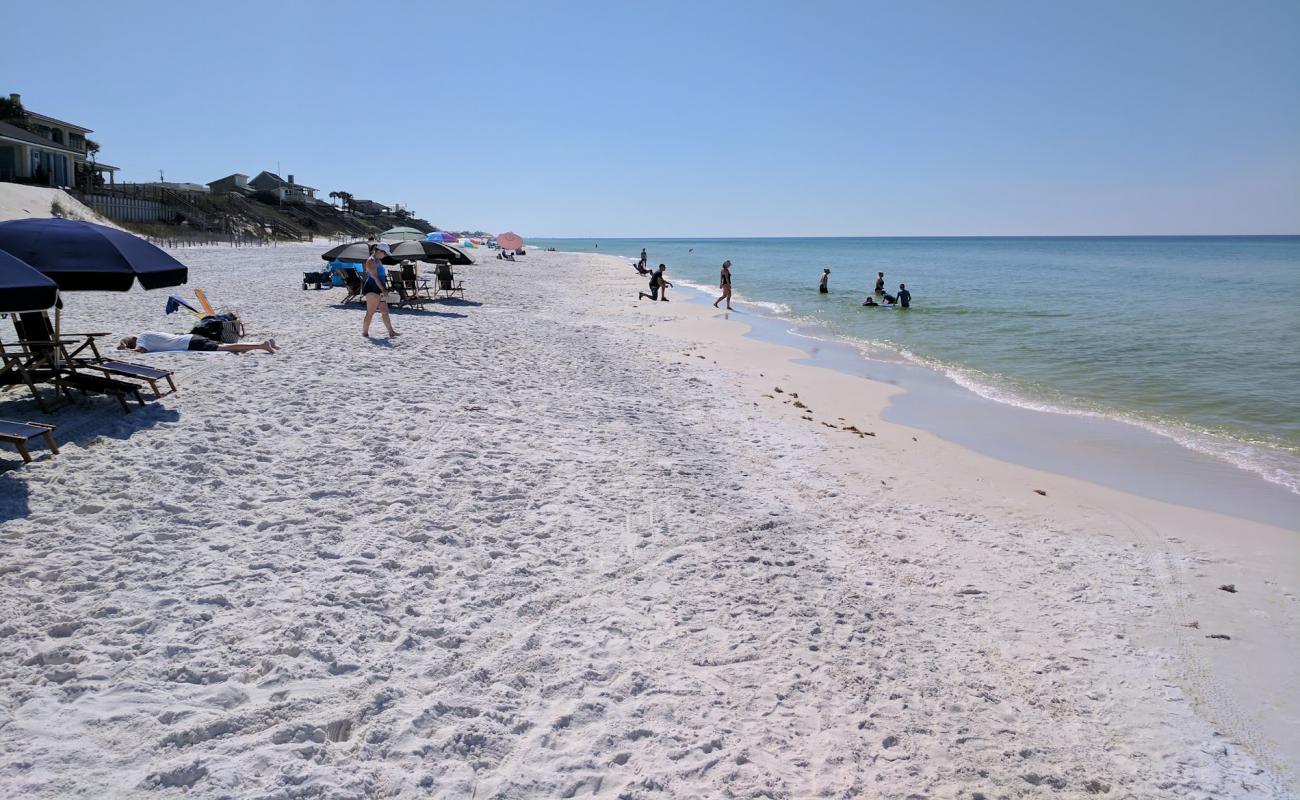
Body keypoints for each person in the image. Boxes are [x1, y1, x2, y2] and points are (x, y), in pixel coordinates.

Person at [361, 243, 400, 339]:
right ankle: (365, 333)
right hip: (372, 288)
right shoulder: (371, 260)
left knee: (385, 311)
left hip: (379, 288)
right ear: (379, 251)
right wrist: (383, 289)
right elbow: (374, 277)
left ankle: (391, 332)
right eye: (385, 253)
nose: (385, 255)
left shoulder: (378, 260)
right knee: (370, 312)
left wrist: (384, 289)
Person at [118, 332, 279, 354]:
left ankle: (262, 345)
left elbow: (141, 350)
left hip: (189, 344)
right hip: (191, 338)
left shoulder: (141, 338)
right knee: (229, 348)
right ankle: (268, 342)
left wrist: (125, 350)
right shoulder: (147, 333)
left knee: (226, 348)